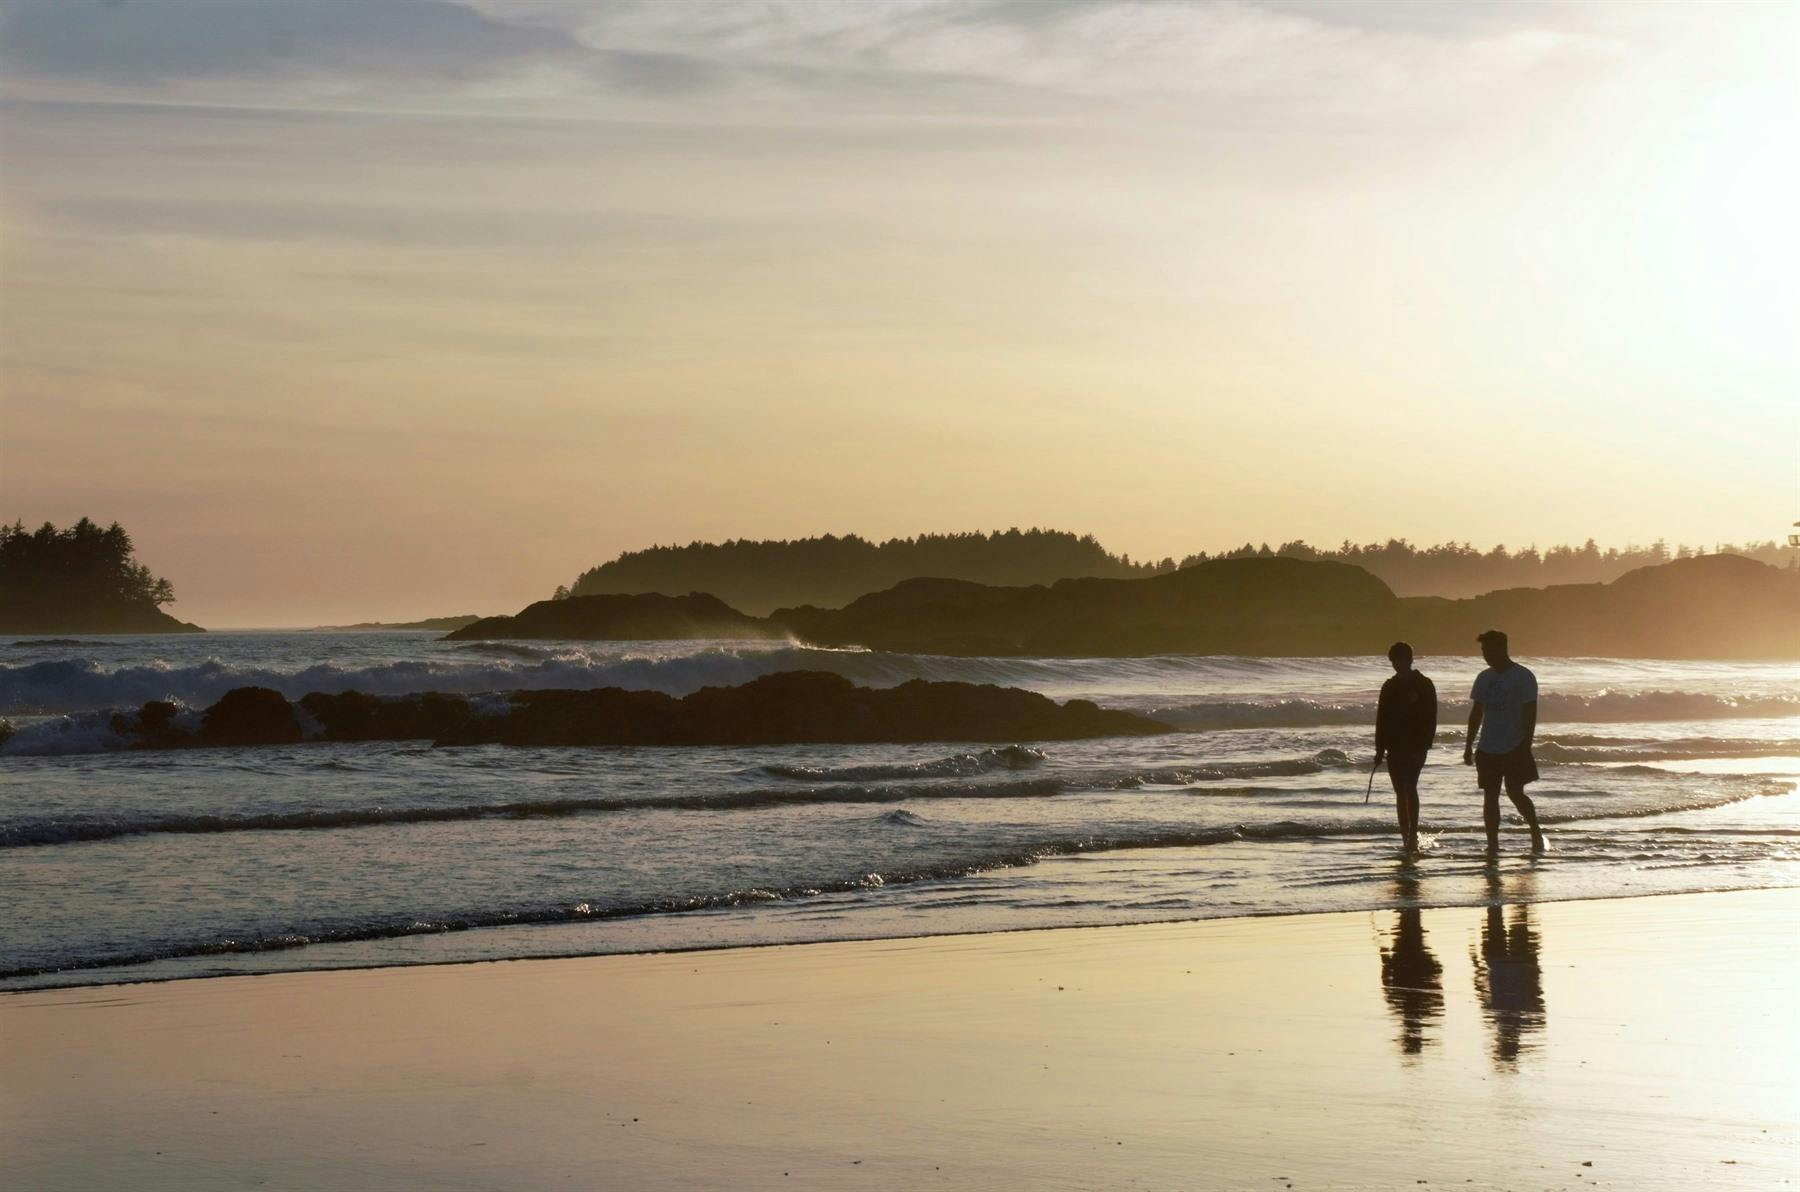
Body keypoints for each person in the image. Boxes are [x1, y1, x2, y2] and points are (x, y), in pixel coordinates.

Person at [1463, 629, 1546, 853]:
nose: (1485, 655)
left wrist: (1526, 745)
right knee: (1490, 796)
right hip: (1488, 746)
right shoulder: (1484, 678)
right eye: (1483, 651)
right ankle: (1492, 845)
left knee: (1515, 793)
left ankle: (1535, 831)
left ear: (1501, 648)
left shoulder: (1523, 676)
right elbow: (1476, 712)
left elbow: (1530, 712)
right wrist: (1469, 744)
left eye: (1488, 650)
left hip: (1515, 744)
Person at [1374, 641, 1436, 853]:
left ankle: (1412, 836)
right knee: (1400, 791)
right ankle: (1405, 836)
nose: (1397, 664)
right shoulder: (1389, 686)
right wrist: (1379, 749)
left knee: (1410, 786)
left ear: (1410, 660)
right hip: (1394, 746)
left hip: (1417, 745)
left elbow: (1431, 716)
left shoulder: (1424, 684)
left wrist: (1427, 743)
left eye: (1401, 660)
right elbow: (1380, 719)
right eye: (1394, 661)